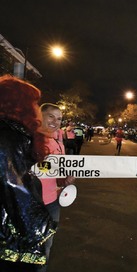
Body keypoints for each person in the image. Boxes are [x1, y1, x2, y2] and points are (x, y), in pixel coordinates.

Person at [0, 75, 57, 271]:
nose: (37, 108)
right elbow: (13, 185)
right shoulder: (8, 137)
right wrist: (40, 228)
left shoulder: (14, 134)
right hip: (11, 239)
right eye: (34, 102)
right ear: (20, 105)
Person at [38, 103, 75, 272]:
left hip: (53, 201)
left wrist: (66, 179)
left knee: (47, 244)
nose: (55, 121)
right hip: (30, 201)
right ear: (40, 116)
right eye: (51, 116)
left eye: (59, 118)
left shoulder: (58, 142)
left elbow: (59, 173)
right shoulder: (28, 138)